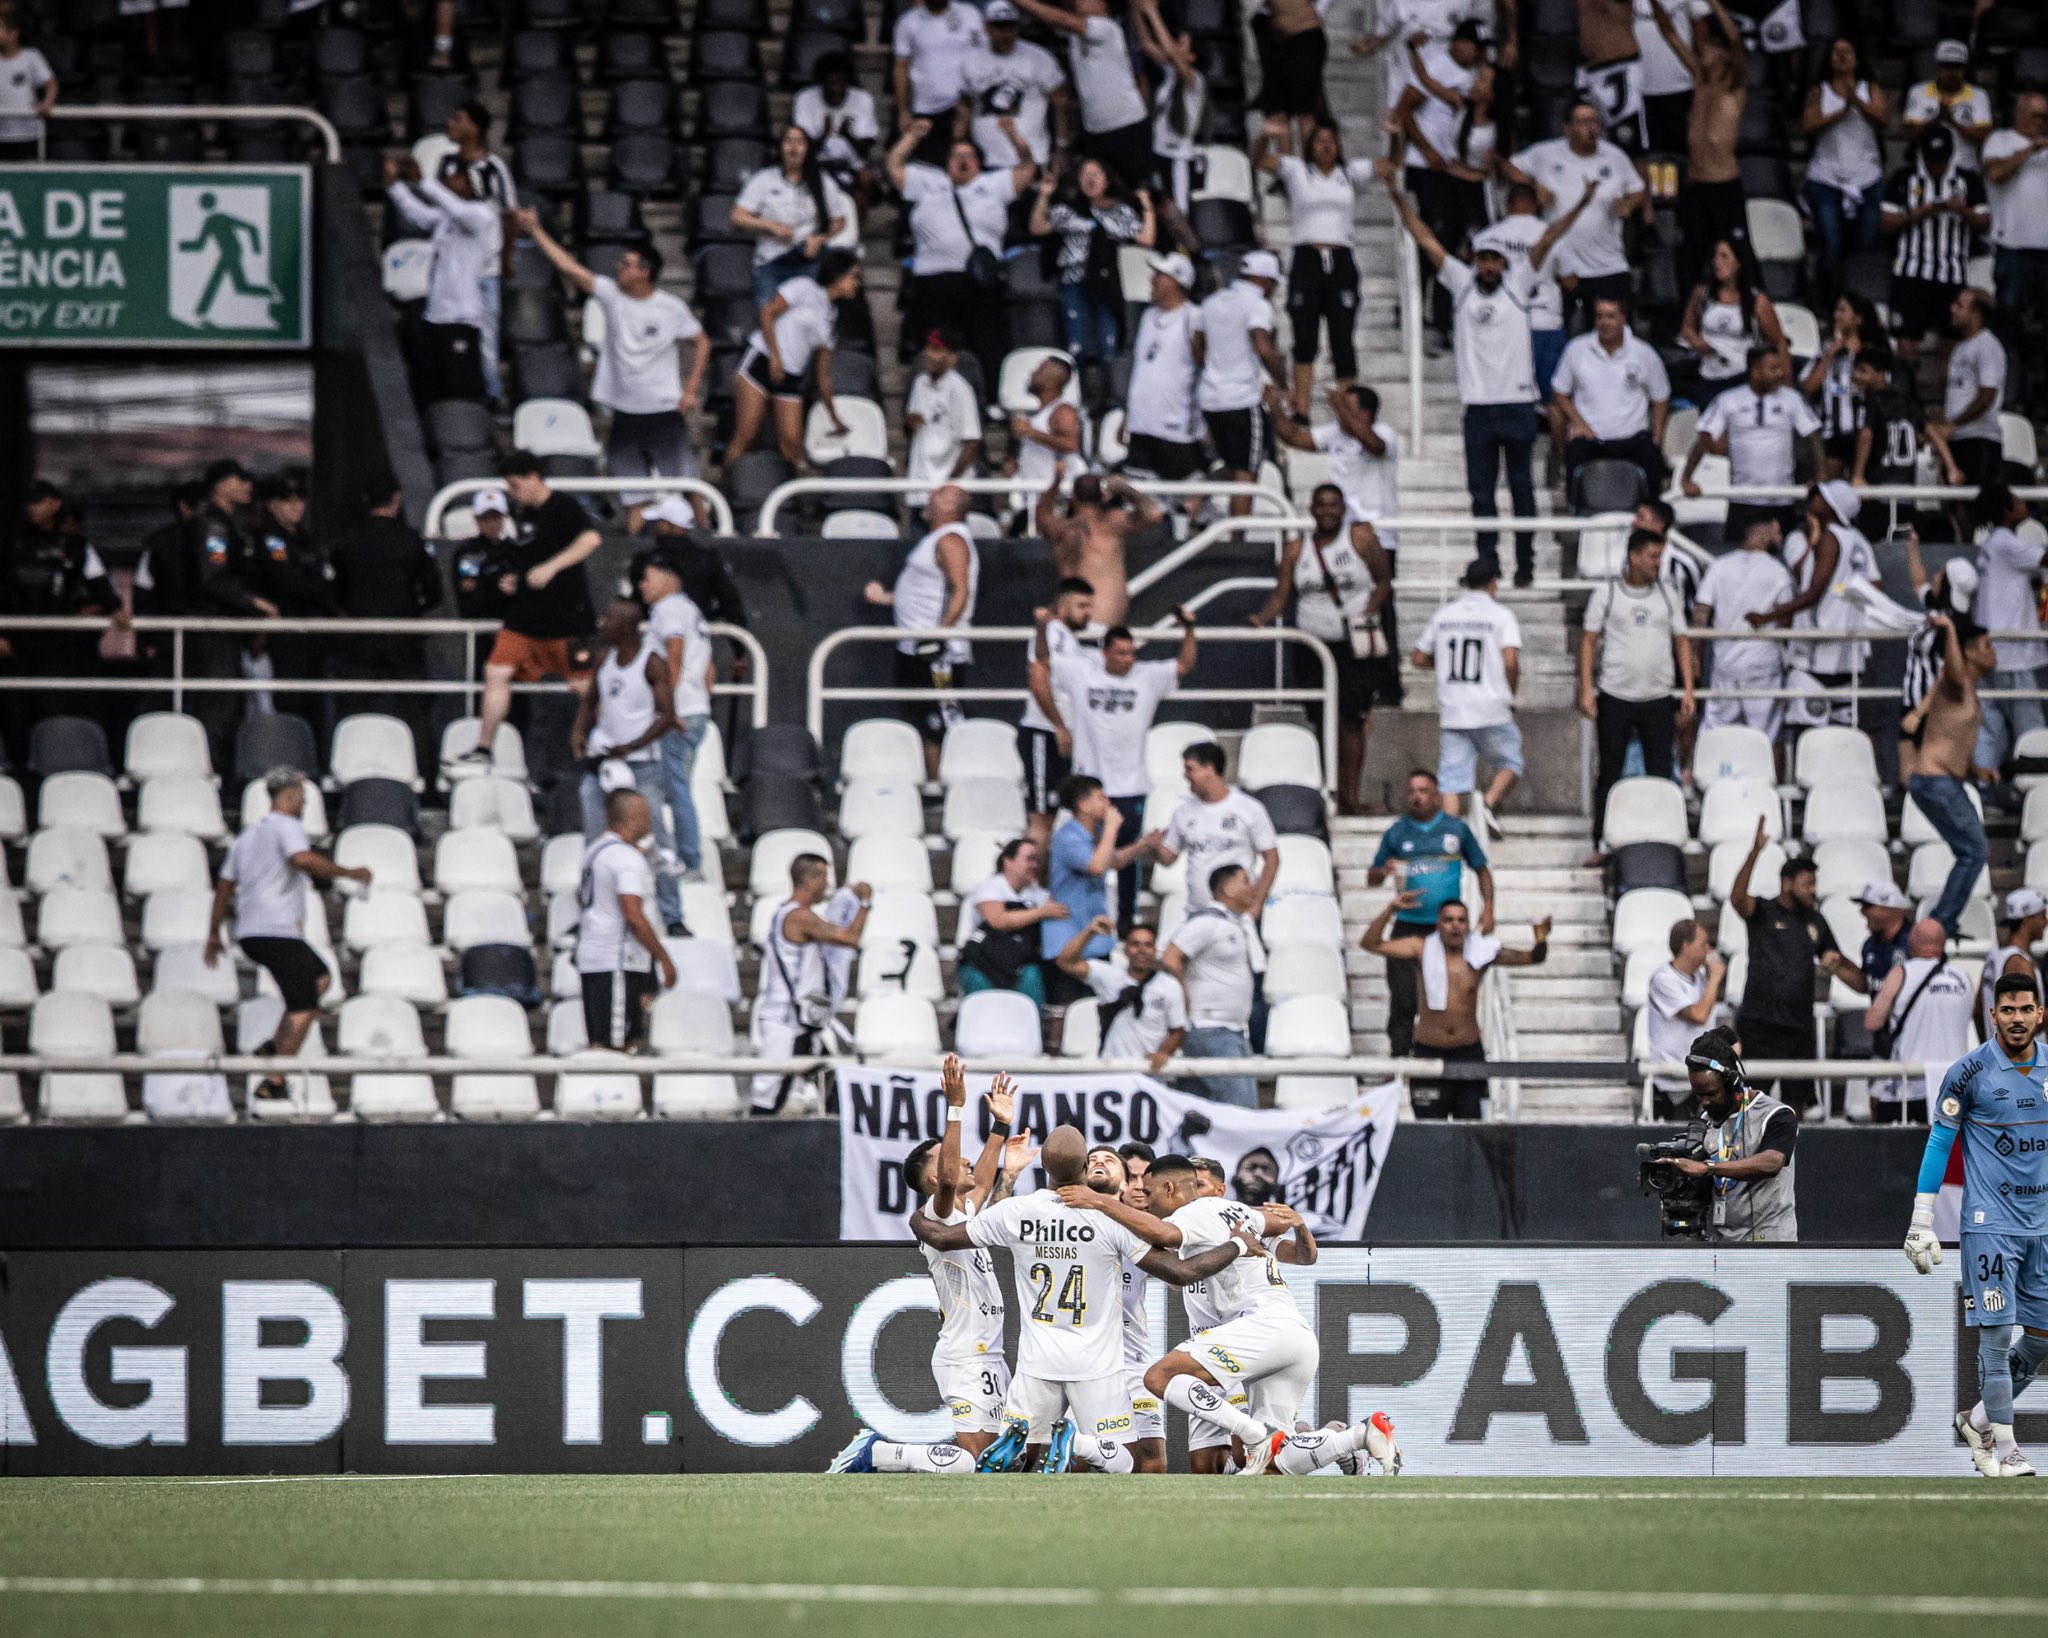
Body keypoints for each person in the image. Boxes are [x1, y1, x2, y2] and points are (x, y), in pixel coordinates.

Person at [911, 1125, 1257, 1475]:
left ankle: (1037, 1454)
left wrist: (917, 1221)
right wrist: (1238, 1244)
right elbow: (1181, 1273)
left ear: (1044, 1167)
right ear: (1082, 1170)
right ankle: (1079, 1444)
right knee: (1125, 1463)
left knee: (1023, 1464)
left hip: (1036, 1364)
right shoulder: (1108, 1219)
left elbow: (941, 1237)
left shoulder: (1015, 1212)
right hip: (1097, 1367)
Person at [830, 1058, 1020, 1473]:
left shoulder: (965, 1214)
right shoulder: (939, 1214)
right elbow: (955, 1179)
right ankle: (877, 1452)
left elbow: (982, 1182)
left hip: (989, 1355)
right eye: (949, 1159)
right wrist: (956, 1108)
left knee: (996, 1466)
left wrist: (1000, 1129)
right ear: (933, 1182)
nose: (965, 1160)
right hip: (965, 1356)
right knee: (975, 1465)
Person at [1904, 972, 2048, 1478]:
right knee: (1995, 1333)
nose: (2016, 1018)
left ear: (2040, 1014)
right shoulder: (1968, 1073)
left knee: (2042, 1338)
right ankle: (2005, 1448)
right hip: (1990, 1223)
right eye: (2006, 1010)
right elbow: (1940, 1142)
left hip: (2043, 1225)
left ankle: (1977, 1418)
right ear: (1992, 1015)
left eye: (2024, 1009)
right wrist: (1922, 1218)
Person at [512, 210, 710, 535]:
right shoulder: (611, 295)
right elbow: (568, 267)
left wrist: (690, 389)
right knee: (633, 494)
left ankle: (708, 533)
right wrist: (535, 230)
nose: (618, 268)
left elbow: (701, 341)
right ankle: (635, 546)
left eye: (627, 264)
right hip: (625, 413)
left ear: (645, 272)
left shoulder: (670, 307)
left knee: (688, 484)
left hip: (662, 412)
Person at [1386, 179, 1540, 584]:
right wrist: (1399, 198)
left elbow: (1550, 243)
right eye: (1483, 259)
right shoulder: (1461, 283)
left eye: (1495, 260)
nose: (1488, 266)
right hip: (1479, 407)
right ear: (1474, 259)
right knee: (1482, 494)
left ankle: (1527, 565)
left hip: (1518, 402)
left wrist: (1582, 205)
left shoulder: (1518, 287)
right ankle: (1487, 564)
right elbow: (1426, 240)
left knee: (1522, 489)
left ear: (1505, 263)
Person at [203, 768, 366, 1107]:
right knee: (306, 1005)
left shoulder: (247, 837)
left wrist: (214, 933)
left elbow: (223, 887)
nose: (304, 806)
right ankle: (274, 1079)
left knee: (321, 978)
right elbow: (302, 859)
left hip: (252, 934)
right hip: (276, 930)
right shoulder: (287, 827)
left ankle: (274, 1046)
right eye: (303, 800)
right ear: (289, 796)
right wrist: (349, 873)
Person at [1046, 611, 1197, 929]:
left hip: (1131, 786)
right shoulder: (1082, 673)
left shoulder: (1148, 676)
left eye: (1132, 653)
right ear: (1104, 652)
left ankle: (1127, 920)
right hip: (1090, 786)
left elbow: (1184, 665)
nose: (1128, 659)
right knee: (1085, 857)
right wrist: (1039, 627)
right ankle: (1081, 917)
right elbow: (1044, 660)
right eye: (1121, 653)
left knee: (1128, 859)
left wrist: (1189, 630)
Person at [1250, 484, 1394, 815]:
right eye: (1321, 505)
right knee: (1321, 721)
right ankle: (1328, 791)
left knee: (1352, 721)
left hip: (1352, 645)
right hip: (1313, 647)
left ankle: (1350, 797)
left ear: (1344, 509)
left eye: (1334, 505)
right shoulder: (1296, 549)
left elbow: (1384, 580)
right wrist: (1261, 618)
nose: (1328, 511)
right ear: (1311, 510)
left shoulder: (1361, 539)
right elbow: (1281, 595)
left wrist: (1368, 611)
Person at [457, 455, 600, 768]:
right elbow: (528, 554)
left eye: (515, 484)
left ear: (534, 477)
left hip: (565, 617)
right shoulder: (522, 514)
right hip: (525, 616)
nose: (512, 491)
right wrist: (515, 579)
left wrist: (551, 568)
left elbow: (591, 539)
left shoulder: (563, 506)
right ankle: (484, 745)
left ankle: (606, 738)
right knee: (495, 671)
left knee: (584, 685)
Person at [1361, 893, 1551, 1119]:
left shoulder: (1481, 952)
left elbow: (1533, 958)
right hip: (1428, 1053)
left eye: (1461, 920)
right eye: (1448, 920)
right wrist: (1391, 908)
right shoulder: (1421, 948)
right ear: (1437, 924)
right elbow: (1370, 943)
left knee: (1470, 1130)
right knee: (1430, 1131)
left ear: (1468, 925)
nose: (1455, 926)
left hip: (1468, 1052)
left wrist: (1541, 938)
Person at [886, 123, 1032, 389]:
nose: (963, 162)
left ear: (978, 162)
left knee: (987, 340)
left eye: (969, 157)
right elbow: (894, 165)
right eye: (957, 156)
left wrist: (1013, 136)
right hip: (933, 278)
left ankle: (989, 398)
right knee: (935, 341)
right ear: (947, 162)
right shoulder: (929, 181)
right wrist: (912, 136)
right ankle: (929, 394)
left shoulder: (993, 184)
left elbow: (1027, 168)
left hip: (979, 279)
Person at [1727, 824, 1860, 1110]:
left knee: (1795, 1106)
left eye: (1814, 883)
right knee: (1747, 1104)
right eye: (1806, 883)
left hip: (1799, 1027)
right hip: (1759, 1024)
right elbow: (1737, 899)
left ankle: (1788, 1156)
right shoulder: (1763, 912)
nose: (1813, 890)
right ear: (1786, 884)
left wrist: (1838, 966)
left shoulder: (1816, 921)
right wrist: (1755, 853)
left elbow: (1848, 971)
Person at [1580, 529, 1694, 858]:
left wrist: (1687, 690)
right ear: (1633, 556)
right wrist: (1587, 689)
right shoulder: (1608, 593)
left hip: (1657, 698)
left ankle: (1662, 840)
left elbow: (1681, 641)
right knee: (1610, 773)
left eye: (1660, 556)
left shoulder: (1667, 594)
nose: (1658, 563)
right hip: (1615, 696)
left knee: (1661, 771)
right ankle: (1601, 842)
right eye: (1653, 556)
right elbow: (1588, 642)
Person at [572, 597, 682, 934]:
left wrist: (633, 745)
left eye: (609, 617)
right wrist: (578, 732)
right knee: (595, 841)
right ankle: (592, 912)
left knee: (658, 841)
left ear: (628, 626)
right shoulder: (604, 658)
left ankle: (673, 916)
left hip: (640, 765)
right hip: (603, 763)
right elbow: (591, 702)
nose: (602, 622)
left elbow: (667, 716)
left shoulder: (652, 663)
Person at [1368, 768, 1493, 1058]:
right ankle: (1400, 1059)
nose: (1416, 797)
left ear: (1436, 796)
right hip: (1407, 926)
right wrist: (1383, 871)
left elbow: (1482, 870)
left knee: (1449, 997)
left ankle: (1443, 1053)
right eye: (1412, 791)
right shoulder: (1397, 832)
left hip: (1446, 931)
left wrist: (1489, 910)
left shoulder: (1455, 829)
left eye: (1423, 791)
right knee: (1403, 996)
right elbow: (1371, 878)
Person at [1254, 119, 1375, 418]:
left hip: (1341, 257)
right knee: (1304, 336)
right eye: (1320, 140)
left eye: (1331, 140)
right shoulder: (1297, 170)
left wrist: (1398, 138)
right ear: (1310, 145)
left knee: (1342, 339)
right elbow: (1258, 159)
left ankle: (1350, 409)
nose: (1326, 145)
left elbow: (1390, 165)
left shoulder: (1348, 172)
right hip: (1307, 257)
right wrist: (1264, 137)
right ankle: (1302, 408)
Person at [1502, 100, 1648, 334]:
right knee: (1564, 334)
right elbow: (1509, 166)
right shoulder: (1546, 153)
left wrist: (1627, 204)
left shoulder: (1615, 156)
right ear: (1567, 129)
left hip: (1607, 265)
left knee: (1612, 335)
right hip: (1562, 268)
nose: (1591, 128)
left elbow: (1638, 188)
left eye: (1594, 121)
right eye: (1583, 122)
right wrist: (1534, 187)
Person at [864, 485, 979, 780]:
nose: (929, 498)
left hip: (937, 653)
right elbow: (923, 592)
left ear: (949, 505)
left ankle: (949, 788)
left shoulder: (951, 539)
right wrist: (887, 598)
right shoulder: (935, 539)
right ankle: (933, 784)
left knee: (944, 723)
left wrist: (940, 634)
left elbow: (960, 590)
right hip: (914, 648)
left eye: (937, 495)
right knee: (925, 724)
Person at [332, 481, 442, 768]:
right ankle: (422, 777)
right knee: (413, 714)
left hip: (359, 639)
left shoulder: (347, 540)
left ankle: (350, 771)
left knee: (355, 712)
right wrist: (410, 611)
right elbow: (434, 591)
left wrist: (353, 611)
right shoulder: (411, 539)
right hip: (403, 638)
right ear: (397, 500)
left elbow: (334, 592)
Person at [177, 458, 275, 773]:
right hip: (213, 629)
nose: (248, 487)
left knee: (229, 706)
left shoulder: (230, 523)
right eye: (240, 480)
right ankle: (211, 776)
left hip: (225, 629)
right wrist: (255, 603)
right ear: (221, 485)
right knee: (218, 707)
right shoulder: (213, 524)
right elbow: (213, 577)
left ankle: (218, 772)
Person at [751, 855, 870, 1115]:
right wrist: (864, 902)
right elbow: (850, 937)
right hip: (786, 1022)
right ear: (809, 879)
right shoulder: (799, 917)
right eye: (824, 878)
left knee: (830, 1080)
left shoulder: (792, 914)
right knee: (769, 1094)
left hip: (804, 1022)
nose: (827, 886)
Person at [1645, 0, 1749, 289]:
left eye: (1711, 46)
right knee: (1689, 256)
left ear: (1723, 54)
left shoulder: (1735, 84)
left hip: (1724, 186)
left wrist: (1714, 4)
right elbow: (1668, 32)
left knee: (1740, 256)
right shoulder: (1699, 78)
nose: (1703, 49)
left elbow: (1736, 38)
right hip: (1695, 186)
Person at [1032, 156, 1156, 398]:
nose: (1090, 178)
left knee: (1108, 344)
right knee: (1074, 345)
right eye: (1085, 174)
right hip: (1073, 280)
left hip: (1105, 281)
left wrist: (1147, 205)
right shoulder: (1068, 209)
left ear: (1106, 178)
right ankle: (1074, 398)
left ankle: (1110, 397)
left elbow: (1146, 239)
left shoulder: (1119, 211)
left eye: (1096, 173)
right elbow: (1038, 227)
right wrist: (1045, 195)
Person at [729, 250, 864, 470]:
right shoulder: (804, 288)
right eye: (853, 276)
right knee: (746, 434)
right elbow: (767, 313)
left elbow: (823, 374)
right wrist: (775, 356)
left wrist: (834, 416)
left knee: (792, 444)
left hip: (791, 375)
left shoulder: (832, 317)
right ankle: (726, 491)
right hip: (762, 360)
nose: (856, 283)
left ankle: (792, 497)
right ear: (838, 275)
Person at [1413, 557, 1523, 824]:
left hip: (1454, 707)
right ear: (1494, 583)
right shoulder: (1501, 616)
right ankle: (1487, 804)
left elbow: (1417, 657)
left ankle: (1452, 836)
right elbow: (1511, 661)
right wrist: (1510, 689)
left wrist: (1443, 664)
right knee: (1511, 762)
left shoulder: (1445, 615)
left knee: (1452, 781)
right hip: (1491, 707)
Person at [1681, 347, 1823, 545]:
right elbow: (1704, 437)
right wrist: (1687, 477)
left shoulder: (1792, 400)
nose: (1780, 374)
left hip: (1782, 497)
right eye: (1773, 369)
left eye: (1781, 368)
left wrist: (1820, 475)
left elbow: (1813, 436)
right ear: (1755, 371)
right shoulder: (1728, 400)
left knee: (1786, 556)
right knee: (1737, 554)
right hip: (1743, 499)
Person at [1910, 611, 1997, 935]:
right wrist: (1949, 631)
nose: (1994, 652)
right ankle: (1940, 924)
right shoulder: (1954, 682)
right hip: (1936, 782)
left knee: (1970, 851)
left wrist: (1978, 771)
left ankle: (1943, 922)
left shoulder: (1969, 691)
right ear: (1969, 651)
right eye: (1987, 645)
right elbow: (1953, 669)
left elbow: (1952, 743)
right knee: (1975, 851)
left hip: (1944, 782)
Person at [383, 154, 495, 404]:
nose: (448, 181)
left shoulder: (481, 215)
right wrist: (395, 186)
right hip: (435, 316)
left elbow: (457, 209)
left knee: (460, 391)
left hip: (461, 319)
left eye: (455, 178)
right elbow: (418, 215)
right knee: (426, 389)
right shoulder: (447, 219)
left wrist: (424, 183)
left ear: (469, 183)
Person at [573, 788, 678, 1052]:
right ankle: (612, 1092)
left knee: (602, 1039)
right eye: (646, 814)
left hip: (596, 954)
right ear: (632, 818)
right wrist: (663, 957)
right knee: (615, 1045)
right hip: (618, 958)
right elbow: (633, 915)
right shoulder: (625, 858)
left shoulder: (595, 850)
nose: (650, 821)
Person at [1672, 1026, 1798, 1243]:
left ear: (1732, 1083)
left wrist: (1708, 1168)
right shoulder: (1703, 1123)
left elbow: (1772, 1162)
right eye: (1698, 1095)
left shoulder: (1777, 1114)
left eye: (1711, 1093)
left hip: (1771, 1244)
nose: (1704, 1102)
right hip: (1722, 1246)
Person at [1012, 0, 1154, 191]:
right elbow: (1053, 19)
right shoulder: (1075, 35)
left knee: (1142, 194)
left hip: (1126, 126)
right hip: (1095, 132)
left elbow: (1060, 19)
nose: (1077, 3)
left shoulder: (1106, 28)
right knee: (1103, 194)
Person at [637, 548, 715, 892]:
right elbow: (709, 666)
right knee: (671, 787)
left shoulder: (668, 609)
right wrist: (700, 702)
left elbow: (676, 653)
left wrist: (668, 709)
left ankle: (687, 861)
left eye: (647, 577)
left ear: (668, 577)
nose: (642, 585)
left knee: (670, 789)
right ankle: (670, 855)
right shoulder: (692, 610)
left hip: (677, 713)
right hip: (695, 709)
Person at [1039, 773, 1159, 998]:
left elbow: (1111, 860)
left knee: (1097, 1011)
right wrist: (1113, 827)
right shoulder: (1068, 836)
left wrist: (1143, 845)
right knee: (1069, 1012)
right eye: (1101, 797)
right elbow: (1096, 866)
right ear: (1083, 805)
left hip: (1095, 942)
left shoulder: (1097, 834)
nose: (1107, 803)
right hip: (1068, 941)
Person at [1881, 125, 1989, 368]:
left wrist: (1963, 211)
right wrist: (1918, 214)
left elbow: (1985, 223)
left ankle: (1947, 400)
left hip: (1951, 272)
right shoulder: (1903, 179)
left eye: (1941, 160)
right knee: (1906, 341)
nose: (1936, 165)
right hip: (1911, 271)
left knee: (1950, 342)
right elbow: (1885, 223)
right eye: (1931, 160)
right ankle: (1906, 397)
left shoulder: (1967, 181)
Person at [1191, 251, 1288, 519]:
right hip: (1242, 399)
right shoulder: (1256, 304)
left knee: (1231, 464)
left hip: (1210, 397)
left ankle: (1195, 501)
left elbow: (1197, 347)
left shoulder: (1211, 302)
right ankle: (1237, 540)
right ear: (1266, 280)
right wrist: (1283, 383)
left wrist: (1215, 368)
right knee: (1247, 474)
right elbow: (1264, 348)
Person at [1162, 864, 1267, 1107]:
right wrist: (1185, 1002)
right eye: (1245, 880)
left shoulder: (1235, 923)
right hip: (1212, 1029)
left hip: (1231, 1031)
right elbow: (1171, 957)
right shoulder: (1208, 922)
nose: (1253, 887)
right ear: (1229, 888)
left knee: (1199, 1115)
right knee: (1241, 1110)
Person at [1550, 296, 1672, 496]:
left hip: (1633, 437)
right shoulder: (1576, 349)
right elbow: (1560, 392)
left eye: (1611, 316)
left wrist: (1657, 437)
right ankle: (1577, 517)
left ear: (1623, 318)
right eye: (1599, 316)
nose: (1604, 322)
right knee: (1574, 456)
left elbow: (1661, 398)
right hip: (1591, 437)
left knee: (1652, 459)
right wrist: (1578, 423)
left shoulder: (1644, 353)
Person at [1778, 480, 1878, 722]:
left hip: (1829, 651)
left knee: (1841, 738)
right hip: (1822, 657)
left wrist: (1842, 593)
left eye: (1821, 498)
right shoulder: (1799, 539)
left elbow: (1874, 586)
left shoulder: (1853, 541)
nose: (1813, 502)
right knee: (1810, 735)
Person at [1801, 39, 1890, 306]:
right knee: (1831, 244)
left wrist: (1856, 101)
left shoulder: (1870, 88)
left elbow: (1883, 120)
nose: (1841, 56)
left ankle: (1860, 304)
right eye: (1836, 52)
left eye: (1847, 51)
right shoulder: (1819, 91)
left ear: (1857, 57)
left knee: (1865, 245)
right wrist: (1840, 111)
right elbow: (1807, 125)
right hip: (1827, 177)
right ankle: (1828, 303)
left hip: (1866, 177)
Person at [1692, 516, 1794, 743]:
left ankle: (1703, 775)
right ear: (1767, 534)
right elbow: (1785, 619)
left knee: (1715, 731)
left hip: (1725, 664)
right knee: (1766, 738)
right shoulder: (1778, 571)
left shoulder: (1720, 566)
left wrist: (1695, 655)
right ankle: (1771, 780)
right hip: (1763, 664)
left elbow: (1701, 613)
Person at [1864, 917, 1973, 1123]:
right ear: (1942, 945)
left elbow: (1872, 1022)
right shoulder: (1964, 977)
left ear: (1910, 942)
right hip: (1954, 1089)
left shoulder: (1900, 973)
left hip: (1908, 1089)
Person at [1156, 740, 1281, 917]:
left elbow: (1272, 859)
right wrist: (1153, 846)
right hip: (1197, 911)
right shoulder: (1183, 812)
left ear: (1209, 768)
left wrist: (1257, 904)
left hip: (1237, 913)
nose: (1185, 775)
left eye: (1190, 769)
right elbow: (1167, 858)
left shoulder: (1249, 808)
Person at [1968, 483, 2042, 780]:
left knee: (1990, 724)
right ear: (2005, 510)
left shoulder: (1990, 545)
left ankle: (1988, 792)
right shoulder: (2006, 543)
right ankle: (2038, 784)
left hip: (1991, 650)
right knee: (2029, 723)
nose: (2023, 503)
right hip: (2013, 653)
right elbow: (2042, 559)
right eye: (2016, 500)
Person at [731, 124, 851, 307]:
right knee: (769, 317)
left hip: (807, 261)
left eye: (800, 142)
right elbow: (737, 216)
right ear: (780, 147)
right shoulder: (764, 179)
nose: (794, 148)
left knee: (807, 316)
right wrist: (770, 226)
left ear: (807, 148)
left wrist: (820, 238)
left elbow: (839, 221)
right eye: (788, 141)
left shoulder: (821, 180)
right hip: (771, 261)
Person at [445, 101, 516, 406]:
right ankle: (454, 392)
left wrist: (506, 258)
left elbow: (510, 214)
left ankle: (491, 394)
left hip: (485, 268)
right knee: (451, 334)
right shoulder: (446, 164)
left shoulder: (494, 169)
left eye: (457, 117)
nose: (450, 123)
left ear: (475, 128)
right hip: (453, 268)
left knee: (485, 336)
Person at [1054, 917, 1188, 1072]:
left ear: (1155, 950)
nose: (1141, 950)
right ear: (1125, 949)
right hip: (1112, 1071)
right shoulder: (1108, 976)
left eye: (1148, 945)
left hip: (1150, 1072)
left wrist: (1162, 1053)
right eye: (1135, 944)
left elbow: (1177, 1032)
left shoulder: (1169, 985)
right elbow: (1066, 962)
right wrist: (1090, 931)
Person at [1034, 473, 1163, 632]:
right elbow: (1154, 514)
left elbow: (1041, 517)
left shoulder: (1060, 528)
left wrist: (1056, 482)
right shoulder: (1112, 523)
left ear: (1073, 497)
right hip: (1103, 627)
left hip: (1070, 624)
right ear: (1102, 497)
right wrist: (1124, 489)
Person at [1021, 578, 1095, 852]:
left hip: (1058, 733)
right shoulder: (1052, 633)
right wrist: (1059, 727)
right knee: (1040, 820)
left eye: (1090, 606)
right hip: (1044, 732)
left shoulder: (1067, 639)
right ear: (1063, 604)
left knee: (1050, 818)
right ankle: (1028, 888)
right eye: (1082, 605)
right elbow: (1038, 679)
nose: (1088, 612)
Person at [958, 1, 1069, 180]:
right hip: (985, 159)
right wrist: (959, 144)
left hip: (1033, 157)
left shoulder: (1038, 57)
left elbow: (1061, 101)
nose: (1004, 34)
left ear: (1017, 27)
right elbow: (964, 105)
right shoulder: (971, 60)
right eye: (998, 27)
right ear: (986, 27)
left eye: (1009, 27)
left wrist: (1061, 146)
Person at [1121, 252, 1205, 483]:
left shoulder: (1194, 317)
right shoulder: (1147, 316)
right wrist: (1128, 417)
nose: (1152, 279)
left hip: (1175, 426)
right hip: (1141, 425)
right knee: (1141, 497)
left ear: (1177, 281)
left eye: (1160, 275)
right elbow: (1142, 370)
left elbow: (1204, 366)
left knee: (1183, 494)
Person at [1984, 92, 2048, 386]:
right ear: (2020, 115)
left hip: (2045, 251)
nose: (2041, 122)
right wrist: (2029, 151)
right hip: (2012, 247)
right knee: (2008, 322)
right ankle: (2009, 392)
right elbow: (1994, 173)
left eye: (2045, 117)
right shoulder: (2001, 140)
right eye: (2036, 116)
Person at [957, 837, 1064, 1008]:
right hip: (984, 960)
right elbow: (997, 920)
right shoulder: (990, 887)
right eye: (1029, 859)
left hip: (1020, 964)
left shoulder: (1040, 895)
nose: (1035, 865)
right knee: (977, 983)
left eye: (1037, 860)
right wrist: (1041, 912)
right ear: (1008, 861)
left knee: (1033, 975)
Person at [1680, 239, 1787, 399]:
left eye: (1724, 256)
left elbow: (1778, 341)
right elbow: (1687, 328)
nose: (1717, 261)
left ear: (1738, 263)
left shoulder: (1756, 300)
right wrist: (1698, 342)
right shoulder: (1702, 294)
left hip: (1742, 376)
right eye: (1715, 256)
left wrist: (1786, 383)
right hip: (1710, 376)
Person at [1644, 919, 1726, 1116]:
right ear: (1686, 946)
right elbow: (1699, 1015)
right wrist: (1715, 978)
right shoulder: (1663, 979)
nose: (1708, 950)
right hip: (1671, 1083)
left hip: (1701, 1079)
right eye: (1703, 944)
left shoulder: (1700, 979)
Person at [892, 0, 986, 166]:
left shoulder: (970, 14)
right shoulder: (908, 22)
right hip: (928, 109)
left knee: (966, 167)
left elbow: (984, 53)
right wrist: (903, 110)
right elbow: (901, 67)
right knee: (931, 167)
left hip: (968, 107)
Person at [1802, 293, 1885, 478]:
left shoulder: (1874, 353)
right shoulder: (1826, 351)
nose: (1836, 315)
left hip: (1866, 430)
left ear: (1858, 318)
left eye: (1842, 310)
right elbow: (1809, 387)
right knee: (1831, 491)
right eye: (1836, 310)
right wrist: (1829, 355)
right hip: (1833, 433)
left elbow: (1884, 386)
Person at [1931, 290, 2007, 488]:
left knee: (1975, 505)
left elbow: (1986, 397)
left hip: (1979, 439)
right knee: (1956, 507)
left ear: (1976, 313)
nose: (1952, 309)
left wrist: (1953, 424)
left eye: (1959, 305)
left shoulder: (1987, 346)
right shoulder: (1960, 348)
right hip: (1957, 439)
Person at [904, 328, 983, 512]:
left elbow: (971, 443)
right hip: (920, 486)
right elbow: (912, 431)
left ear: (952, 358)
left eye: (936, 350)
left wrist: (948, 484)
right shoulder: (920, 383)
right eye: (927, 348)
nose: (927, 354)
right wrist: (909, 423)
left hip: (947, 497)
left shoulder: (960, 389)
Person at [792, 52, 880, 206]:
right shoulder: (804, 99)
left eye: (840, 84)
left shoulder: (863, 99)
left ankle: (856, 225)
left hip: (851, 162)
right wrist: (824, 135)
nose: (835, 89)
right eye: (831, 84)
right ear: (822, 83)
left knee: (866, 179)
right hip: (816, 160)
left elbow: (865, 151)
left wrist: (847, 135)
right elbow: (802, 146)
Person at [1006, 352, 1083, 523]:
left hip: (1055, 503)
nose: (1032, 374)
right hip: (1034, 500)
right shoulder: (1038, 415)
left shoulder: (1063, 411)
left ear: (1053, 381)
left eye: (1040, 370)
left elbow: (1071, 444)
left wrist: (1031, 433)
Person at [1902, 38, 1993, 175]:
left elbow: (1984, 135)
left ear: (1965, 68)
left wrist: (1952, 122)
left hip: (1966, 170)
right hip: (1927, 172)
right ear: (1937, 67)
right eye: (1947, 66)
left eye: (1957, 66)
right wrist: (1937, 119)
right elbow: (1910, 134)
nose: (1952, 72)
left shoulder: (1978, 95)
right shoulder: (1918, 92)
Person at [1980, 888, 2046, 1044]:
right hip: (2022, 1063)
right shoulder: (2019, 964)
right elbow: (2025, 1021)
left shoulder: (1993, 957)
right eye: (2042, 916)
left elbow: (1978, 1011)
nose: (2046, 922)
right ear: (2027, 919)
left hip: (2000, 1057)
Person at [0, 5, 57, 162]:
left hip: (28, 134)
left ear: (13, 33)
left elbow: (51, 84)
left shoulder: (31, 57)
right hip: (2, 135)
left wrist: (47, 102)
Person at [1852, 879, 1913, 998]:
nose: (1862, 911)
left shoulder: (1915, 943)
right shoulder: (1870, 944)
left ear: (1889, 908)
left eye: (1867, 906)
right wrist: (1840, 966)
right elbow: (1867, 984)